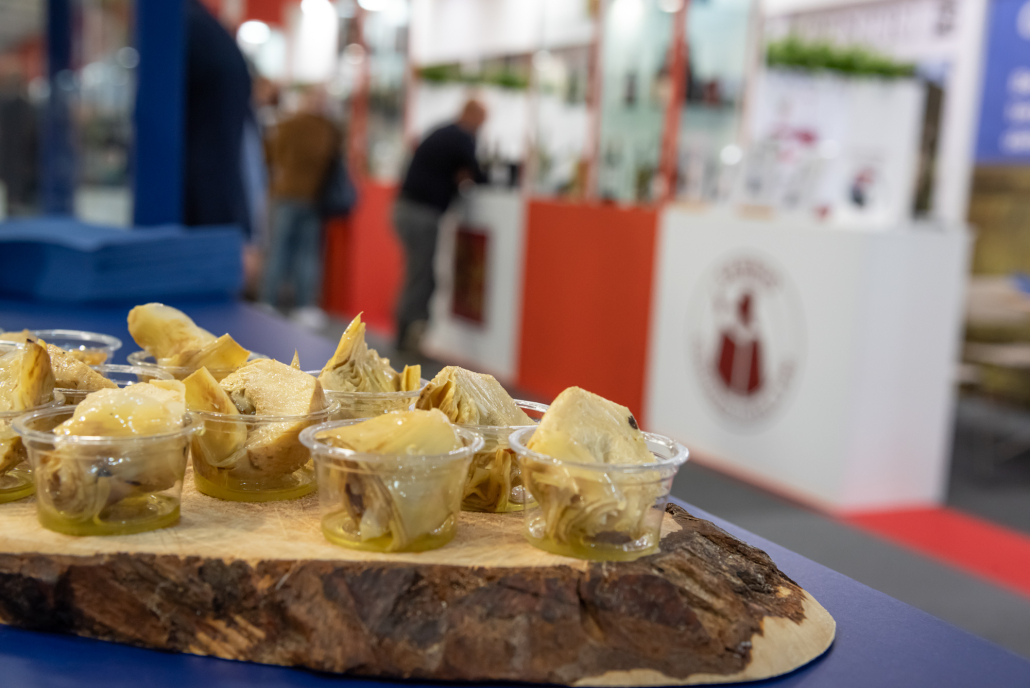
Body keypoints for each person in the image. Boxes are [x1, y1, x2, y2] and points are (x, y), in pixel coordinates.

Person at [394, 99, 487, 351]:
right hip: (421, 213)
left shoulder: (443, 132)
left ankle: (407, 332)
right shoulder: (461, 137)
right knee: (422, 276)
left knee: (417, 273)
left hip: (406, 209)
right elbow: (479, 174)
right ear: (472, 115)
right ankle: (409, 336)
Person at [260, 86, 340, 329]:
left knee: (279, 250)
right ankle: (305, 306)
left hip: (285, 194)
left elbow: (269, 154)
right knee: (308, 254)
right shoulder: (329, 129)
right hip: (313, 198)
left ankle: (268, 301)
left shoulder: (288, 124)